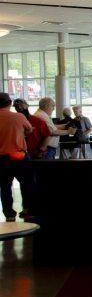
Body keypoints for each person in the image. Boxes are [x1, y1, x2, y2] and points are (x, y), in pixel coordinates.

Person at [0, 92, 33, 222]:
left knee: (4, 187)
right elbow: (29, 130)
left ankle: (9, 214)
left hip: (1, 158)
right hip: (19, 157)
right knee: (27, 183)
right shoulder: (19, 117)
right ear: (10, 103)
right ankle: (27, 210)